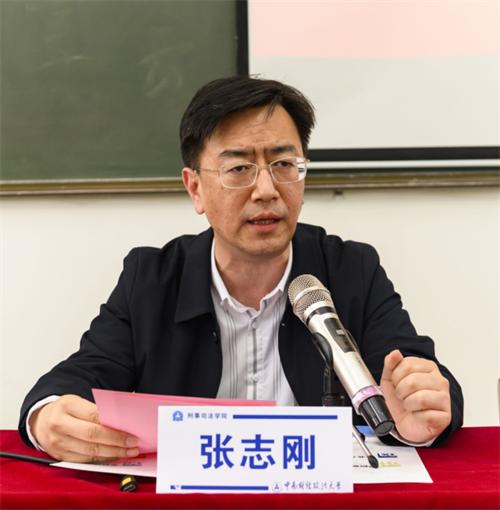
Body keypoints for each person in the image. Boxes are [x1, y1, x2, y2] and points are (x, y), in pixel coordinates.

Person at [19, 76, 463, 463]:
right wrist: (47, 418)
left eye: (284, 164)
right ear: (195, 188)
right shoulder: (152, 280)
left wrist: (419, 414)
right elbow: (75, 380)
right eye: (239, 168)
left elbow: (421, 381)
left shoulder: (351, 270)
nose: (266, 189)